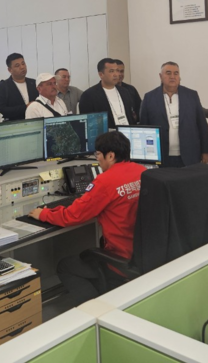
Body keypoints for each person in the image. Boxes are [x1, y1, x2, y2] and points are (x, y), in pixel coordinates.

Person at [28, 131, 146, 307]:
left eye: (98, 155)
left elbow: (72, 216)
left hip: (120, 258)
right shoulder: (142, 171)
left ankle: (95, 310)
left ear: (110, 156)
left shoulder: (105, 181)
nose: (97, 160)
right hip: (143, 254)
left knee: (65, 266)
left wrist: (43, 214)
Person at [139, 62, 208, 168]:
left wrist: (206, 151)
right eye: (168, 73)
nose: (172, 76)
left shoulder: (191, 95)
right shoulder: (149, 97)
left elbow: (202, 125)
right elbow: (144, 128)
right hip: (162, 156)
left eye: (176, 73)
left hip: (189, 154)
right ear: (160, 76)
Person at [78, 58, 137, 128]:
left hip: (127, 132)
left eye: (117, 70)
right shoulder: (89, 95)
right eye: (111, 71)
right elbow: (89, 124)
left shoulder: (125, 92)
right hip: (107, 134)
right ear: (101, 74)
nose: (116, 74)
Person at [0, 53, 38, 120]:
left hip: (36, 121)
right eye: (17, 65)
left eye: (23, 63)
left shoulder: (34, 83)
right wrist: (25, 107)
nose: (22, 67)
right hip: (14, 123)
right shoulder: (2, 87)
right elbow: (0, 110)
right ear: (10, 70)